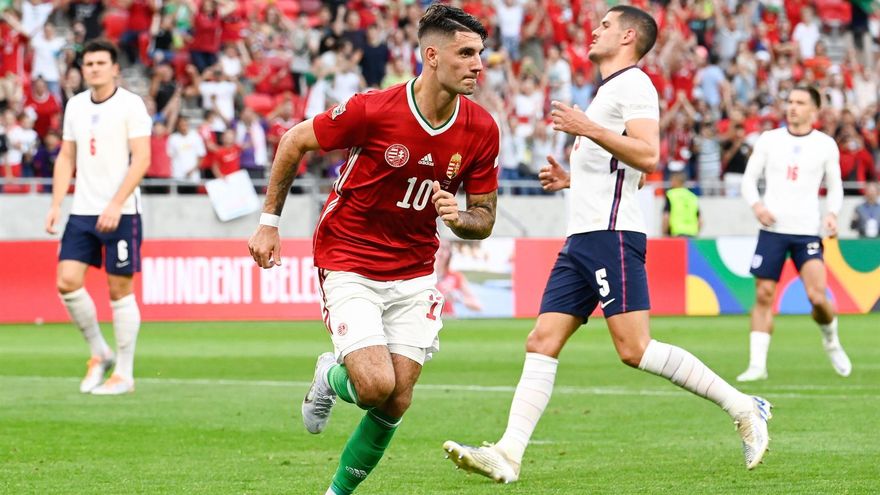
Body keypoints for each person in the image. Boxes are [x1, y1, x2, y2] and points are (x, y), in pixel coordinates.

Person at [442, 6, 772, 484]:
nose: (594, 31)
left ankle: (744, 406)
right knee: (542, 340)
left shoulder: (634, 84)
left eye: (605, 25)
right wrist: (572, 179)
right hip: (583, 237)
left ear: (629, 36)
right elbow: (626, 172)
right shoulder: (608, 91)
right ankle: (508, 454)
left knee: (634, 348)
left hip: (611, 235)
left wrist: (588, 129)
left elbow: (649, 155)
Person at [247, 6, 499, 495]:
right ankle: (330, 374)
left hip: (415, 270)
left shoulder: (482, 128)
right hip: (350, 258)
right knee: (374, 387)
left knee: (397, 399)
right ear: (432, 56)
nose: (478, 65)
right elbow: (294, 141)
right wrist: (268, 224)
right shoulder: (374, 109)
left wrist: (459, 217)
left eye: (480, 54)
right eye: (466, 53)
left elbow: (484, 217)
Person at [44, 39, 152, 395]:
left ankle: (124, 373)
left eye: (100, 63)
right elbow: (66, 157)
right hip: (82, 210)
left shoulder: (131, 105)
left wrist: (116, 204)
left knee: (119, 290)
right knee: (67, 281)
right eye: (88, 63)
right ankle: (100, 352)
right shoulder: (75, 105)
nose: (93, 69)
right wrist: (56, 204)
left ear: (115, 68)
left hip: (122, 211)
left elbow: (142, 159)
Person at [737, 86, 851, 382]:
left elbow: (835, 185)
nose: (792, 107)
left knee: (817, 297)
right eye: (789, 101)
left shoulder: (825, 144)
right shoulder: (769, 139)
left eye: (800, 102)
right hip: (772, 230)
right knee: (763, 294)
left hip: (807, 231)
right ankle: (757, 365)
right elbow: (749, 180)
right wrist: (757, 206)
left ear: (814, 110)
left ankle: (831, 340)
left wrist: (832, 213)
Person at [662, 170, 702, 237]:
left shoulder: (671, 194)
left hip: (676, 234)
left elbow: (666, 216)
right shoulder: (692, 196)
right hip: (692, 234)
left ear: (675, 181)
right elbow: (700, 220)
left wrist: (664, 233)